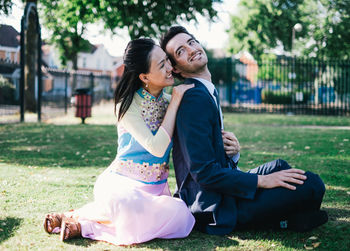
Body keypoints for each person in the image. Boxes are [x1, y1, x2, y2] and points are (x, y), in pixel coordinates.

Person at [160, 26, 328, 235]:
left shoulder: (205, 91)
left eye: (191, 42)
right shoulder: (194, 99)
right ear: (176, 68)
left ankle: (292, 218)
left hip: (225, 188)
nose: (191, 49)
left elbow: (210, 155)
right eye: (181, 51)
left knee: (280, 166)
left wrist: (233, 152)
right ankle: (286, 221)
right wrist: (262, 181)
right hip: (215, 205)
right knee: (312, 185)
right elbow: (203, 173)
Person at [43, 38, 195, 245]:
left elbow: (193, 137)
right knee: (128, 204)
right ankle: (84, 226)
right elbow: (158, 148)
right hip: (120, 185)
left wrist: (226, 141)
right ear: (144, 76)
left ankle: (75, 216)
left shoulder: (171, 101)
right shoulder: (126, 106)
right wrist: (176, 100)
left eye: (167, 60)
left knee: (181, 215)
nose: (170, 67)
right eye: (162, 65)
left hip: (155, 190)